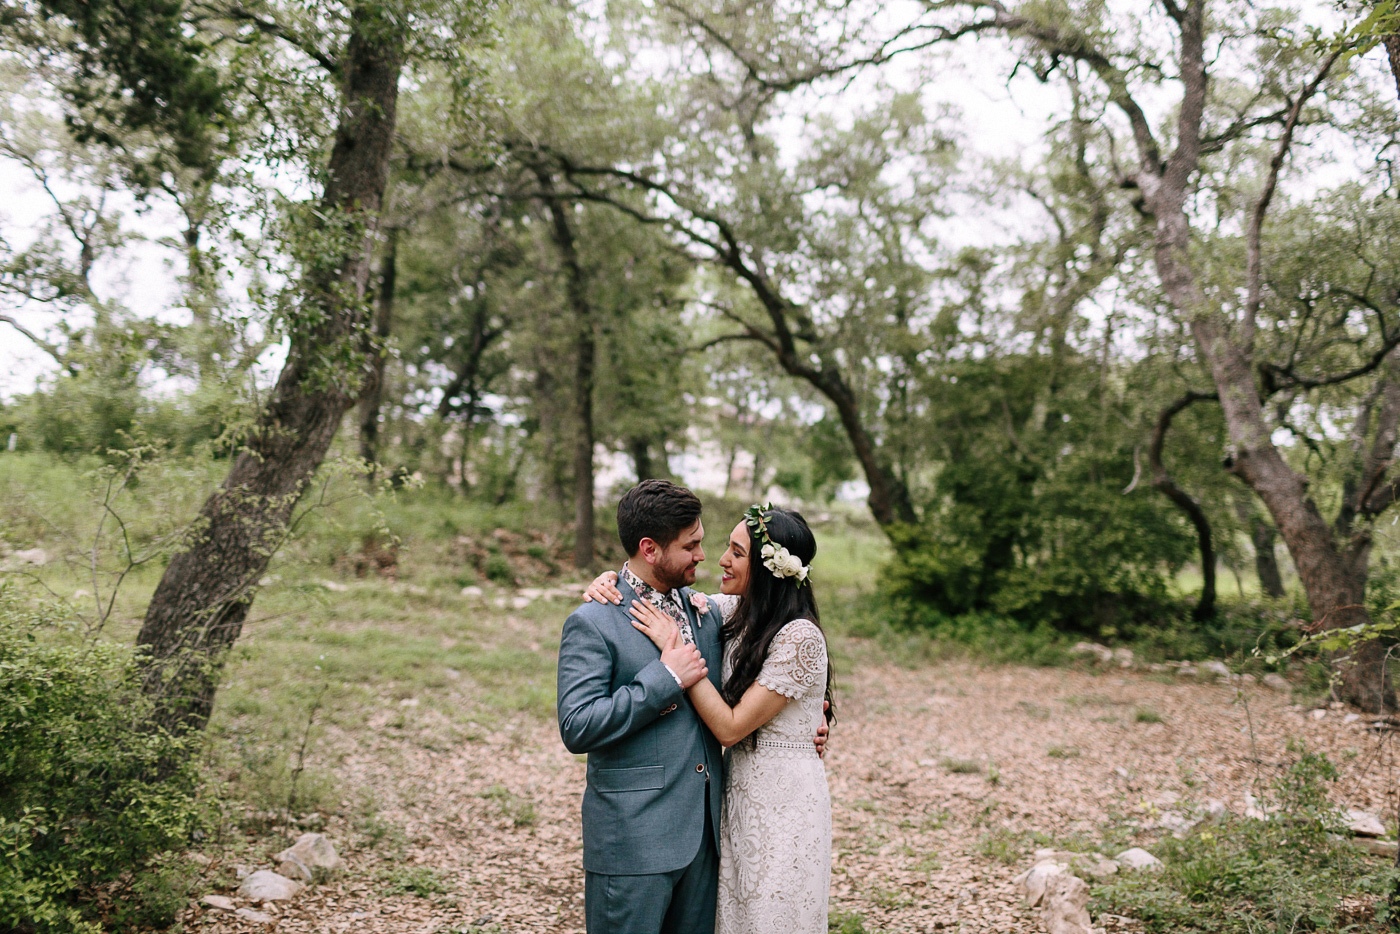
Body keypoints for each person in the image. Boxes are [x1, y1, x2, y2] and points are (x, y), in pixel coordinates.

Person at [584, 504, 834, 934]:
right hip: (733, 798)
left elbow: (731, 727)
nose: (719, 558)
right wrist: (610, 580)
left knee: (771, 916)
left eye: (736, 552)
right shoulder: (728, 610)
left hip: (783, 804)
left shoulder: (799, 635)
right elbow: (650, 586)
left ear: (767, 568)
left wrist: (676, 649)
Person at [557, 480, 724, 934]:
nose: (702, 556)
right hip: (632, 843)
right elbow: (577, 725)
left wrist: (816, 715)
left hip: (705, 839)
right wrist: (664, 680)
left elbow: (778, 641)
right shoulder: (593, 620)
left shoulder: (703, 611)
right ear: (649, 549)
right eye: (691, 546)